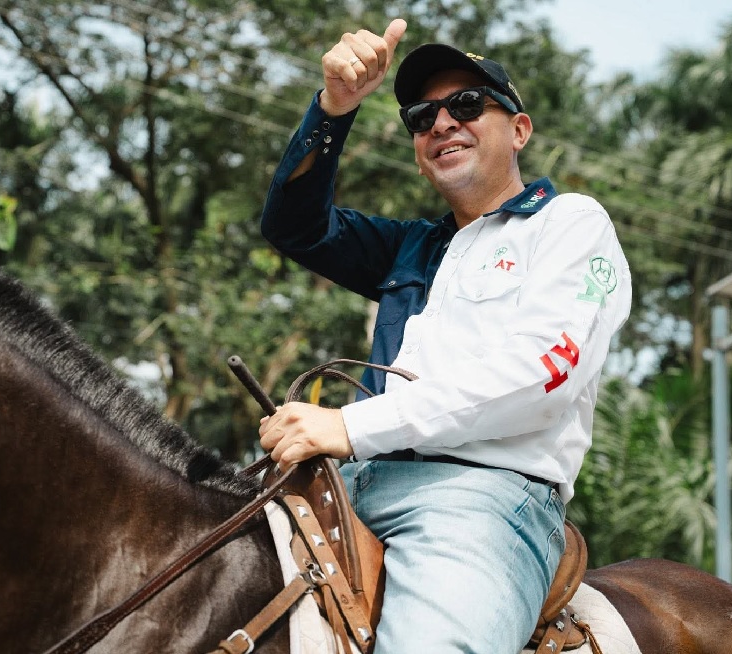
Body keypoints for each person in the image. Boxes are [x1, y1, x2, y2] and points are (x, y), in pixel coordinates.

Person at [258, 18, 631, 654]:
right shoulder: (413, 245)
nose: (441, 123)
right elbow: (295, 227)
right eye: (422, 116)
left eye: (466, 104)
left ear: (519, 130)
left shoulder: (571, 223)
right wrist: (334, 108)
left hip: (479, 498)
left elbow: (543, 374)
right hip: (347, 485)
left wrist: (349, 428)